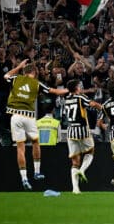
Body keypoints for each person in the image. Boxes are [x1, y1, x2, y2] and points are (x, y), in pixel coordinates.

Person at [4, 60, 68, 190]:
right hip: (29, 116)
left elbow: (6, 76)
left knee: (20, 148)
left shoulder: (16, 78)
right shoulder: (36, 83)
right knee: (35, 142)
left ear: (24, 71)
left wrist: (18, 67)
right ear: (34, 72)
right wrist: (69, 90)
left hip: (15, 116)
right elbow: (54, 91)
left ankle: (24, 178)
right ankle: (37, 171)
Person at [61, 79, 101, 194]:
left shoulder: (66, 99)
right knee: (90, 151)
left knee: (75, 161)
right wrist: (102, 108)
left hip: (71, 131)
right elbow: (93, 104)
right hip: (82, 130)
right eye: (79, 86)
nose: (80, 87)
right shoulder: (81, 97)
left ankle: (75, 189)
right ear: (77, 88)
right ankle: (82, 170)